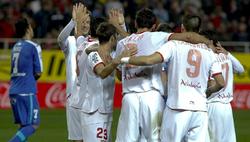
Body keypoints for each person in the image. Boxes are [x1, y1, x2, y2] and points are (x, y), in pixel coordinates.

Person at [119, 15, 225, 142]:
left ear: (182, 28)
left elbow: (149, 60)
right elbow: (220, 83)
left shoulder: (173, 45)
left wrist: (123, 59)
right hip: (200, 110)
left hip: (177, 108)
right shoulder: (209, 52)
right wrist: (206, 92)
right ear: (199, 29)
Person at [203, 31, 245, 142]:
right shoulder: (225, 56)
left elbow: (213, 84)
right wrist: (228, 53)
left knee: (214, 139)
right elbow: (241, 69)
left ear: (210, 41)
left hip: (213, 105)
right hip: (227, 107)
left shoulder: (209, 58)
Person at [57, 1, 89, 141]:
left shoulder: (94, 43)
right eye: (82, 21)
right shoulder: (70, 41)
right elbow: (60, 39)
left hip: (90, 99)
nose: (85, 24)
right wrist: (72, 21)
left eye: (87, 22)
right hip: (73, 98)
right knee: (77, 139)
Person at [9, 18, 43, 142]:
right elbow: (38, 72)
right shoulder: (34, 46)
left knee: (23, 126)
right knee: (33, 125)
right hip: (26, 90)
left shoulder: (15, 47)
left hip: (13, 90)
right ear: (28, 29)